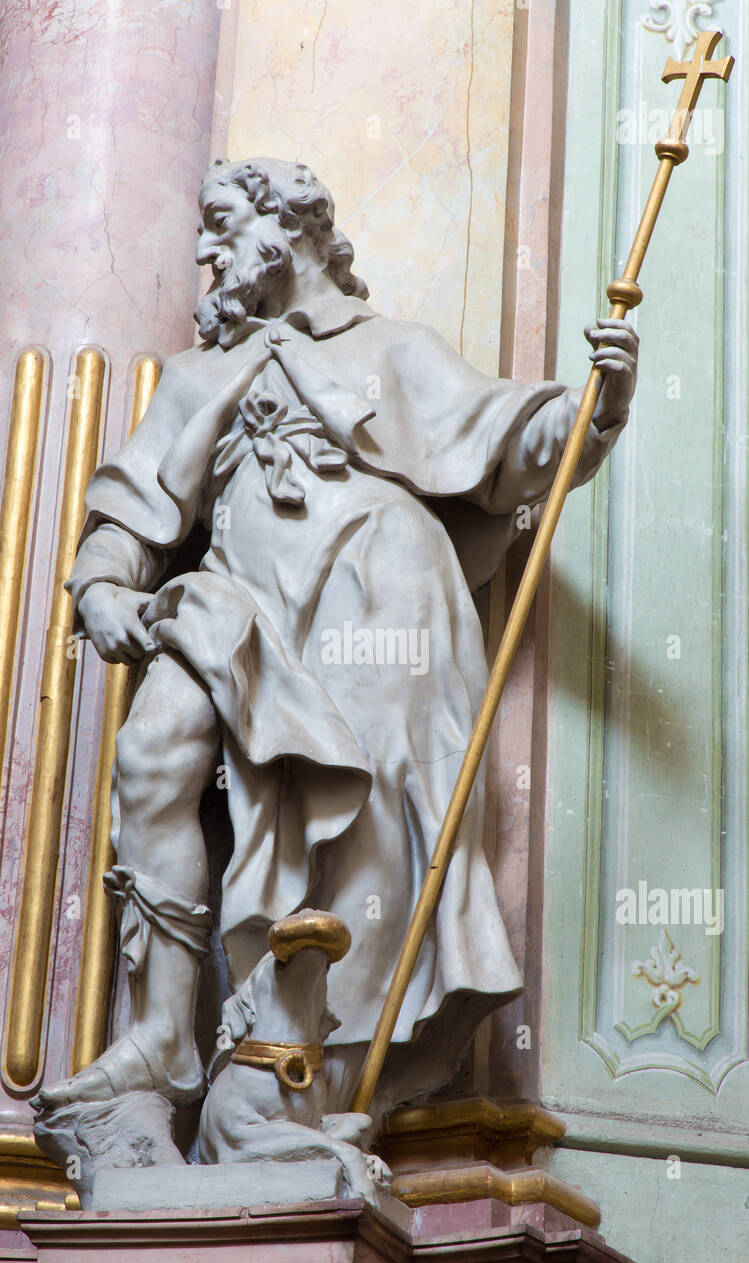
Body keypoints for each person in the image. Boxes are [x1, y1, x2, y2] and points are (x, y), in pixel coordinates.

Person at [40, 157, 638, 1117]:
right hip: (237, 603)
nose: (204, 250)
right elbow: (132, 504)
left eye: (223, 227)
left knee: (374, 825)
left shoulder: (392, 350)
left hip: (380, 594)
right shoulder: (201, 375)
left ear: (286, 229)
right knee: (151, 753)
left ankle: (315, 1070)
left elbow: (511, 445)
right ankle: (159, 1040)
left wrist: (597, 403)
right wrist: (102, 580)